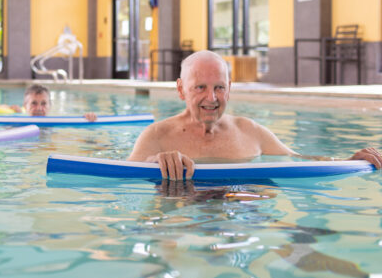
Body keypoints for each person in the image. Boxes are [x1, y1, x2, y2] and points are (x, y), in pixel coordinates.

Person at [128, 50, 382, 179]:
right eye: (200, 88)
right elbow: (123, 177)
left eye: (219, 88)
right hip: (180, 215)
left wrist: (349, 161)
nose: (212, 98)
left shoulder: (249, 131)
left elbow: (297, 159)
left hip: (242, 210)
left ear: (230, 89)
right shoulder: (157, 136)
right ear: (181, 89)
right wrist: (154, 163)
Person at [0, 84, 98, 121]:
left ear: (50, 106)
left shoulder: (57, 123)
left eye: (44, 104)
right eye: (34, 103)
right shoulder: (15, 121)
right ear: (25, 106)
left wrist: (88, 119)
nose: (39, 108)